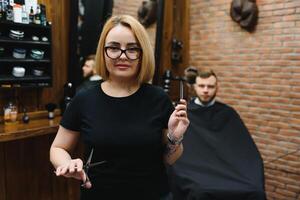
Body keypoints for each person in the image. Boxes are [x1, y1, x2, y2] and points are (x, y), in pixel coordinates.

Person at [50, 15, 189, 200]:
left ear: (142, 54)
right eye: (114, 48)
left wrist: (174, 138)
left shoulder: (158, 99)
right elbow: (58, 148)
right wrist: (67, 163)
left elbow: (169, 158)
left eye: (132, 49)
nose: (122, 56)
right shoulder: (84, 99)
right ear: (103, 51)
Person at [169, 68, 266, 200]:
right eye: (201, 86)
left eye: (210, 86)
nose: (205, 90)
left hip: (231, 174)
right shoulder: (184, 114)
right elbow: (176, 151)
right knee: (200, 193)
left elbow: (246, 151)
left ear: (217, 87)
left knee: (256, 190)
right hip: (196, 174)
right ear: (194, 87)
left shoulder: (228, 113)